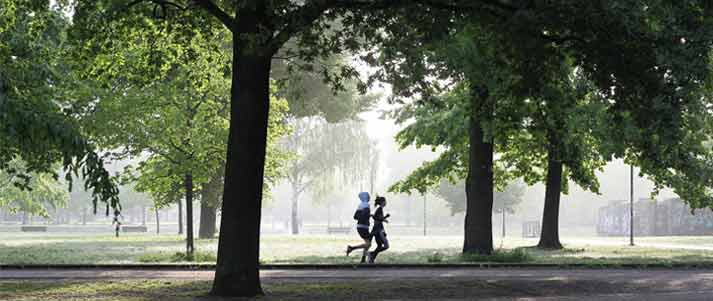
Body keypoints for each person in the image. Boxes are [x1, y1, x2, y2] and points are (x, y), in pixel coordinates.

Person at [346, 191, 372, 263]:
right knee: (368, 244)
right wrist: (367, 216)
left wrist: (368, 215)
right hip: (363, 227)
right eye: (368, 196)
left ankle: (363, 259)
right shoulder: (366, 205)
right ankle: (351, 248)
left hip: (360, 226)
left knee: (368, 243)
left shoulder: (360, 205)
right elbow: (364, 216)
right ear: (365, 197)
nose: (369, 197)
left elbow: (355, 217)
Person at [368, 196, 390, 263]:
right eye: (385, 201)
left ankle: (371, 258)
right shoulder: (379, 209)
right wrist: (385, 217)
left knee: (379, 245)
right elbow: (377, 218)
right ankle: (371, 254)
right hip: (379, 230)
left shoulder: (379, 209)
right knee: (386, 246)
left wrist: (384, 218)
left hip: (378, 230)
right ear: (382, 202)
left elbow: (376, 217)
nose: (386, 202)